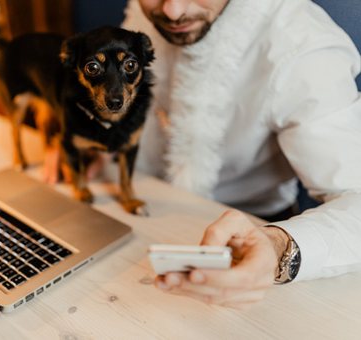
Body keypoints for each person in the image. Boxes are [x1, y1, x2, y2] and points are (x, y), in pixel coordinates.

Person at [119, 0, 361, 309]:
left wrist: (276, 248)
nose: (173, 11)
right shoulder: (147, 11)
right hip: (134, 213)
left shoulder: (302, 44)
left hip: (251, 237)